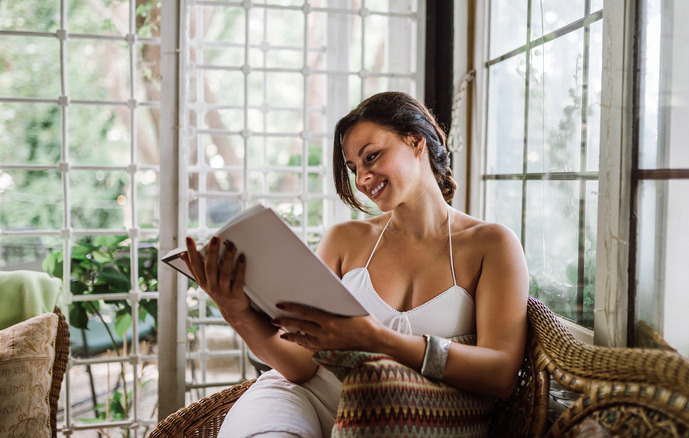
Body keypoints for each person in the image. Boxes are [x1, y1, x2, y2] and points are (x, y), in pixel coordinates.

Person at [181, 91, 529, 437]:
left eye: (372, 157)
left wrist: (378, 339)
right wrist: (236, 312)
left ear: (416, 141)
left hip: (411, 420)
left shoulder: (492, 245)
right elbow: (301, 366)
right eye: (354, 168)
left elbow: (499, 374)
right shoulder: (345, 240)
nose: (362, 179)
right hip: (305, 400)